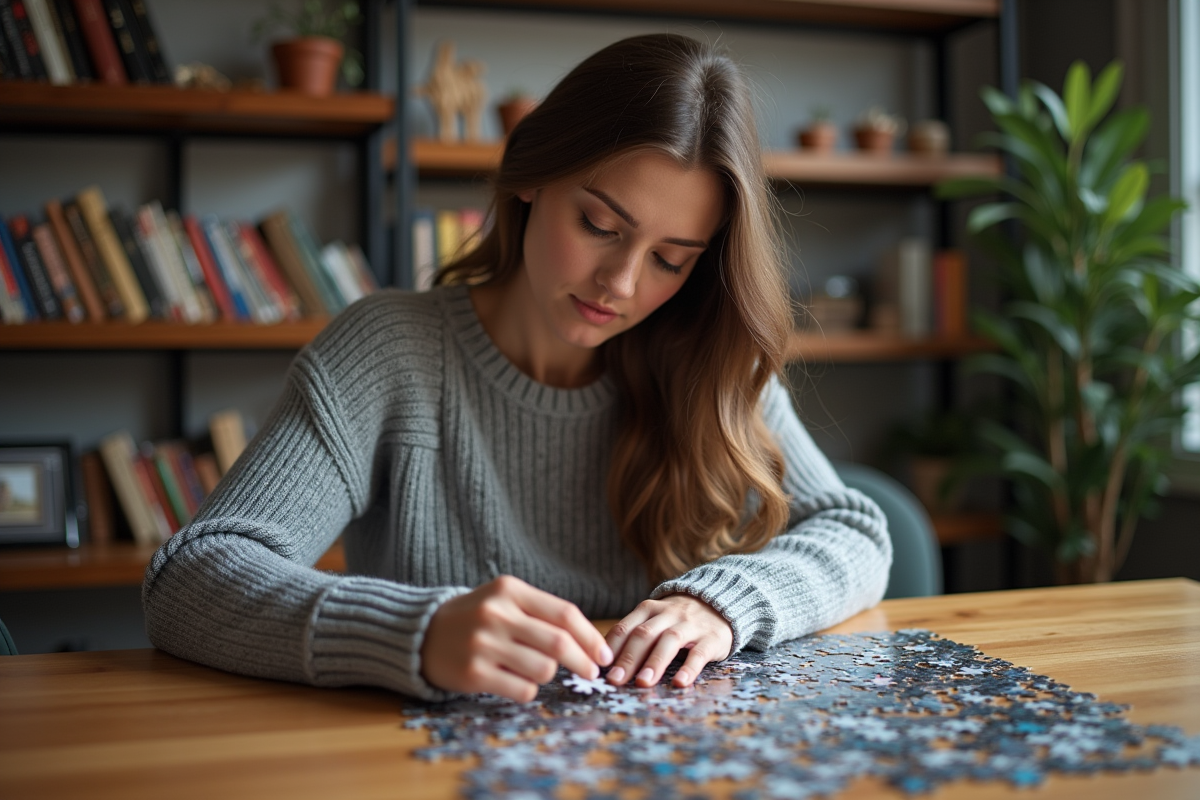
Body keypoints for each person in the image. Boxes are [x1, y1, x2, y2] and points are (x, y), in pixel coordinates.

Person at [142, 33, 891, 703]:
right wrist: (416, 630)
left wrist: (725, 602)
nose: (622, 284)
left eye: (670, 260)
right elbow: (192, 579)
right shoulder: (390, 351)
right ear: (532, 177)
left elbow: (856, 534)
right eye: (599, 225)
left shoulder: (707, 354)